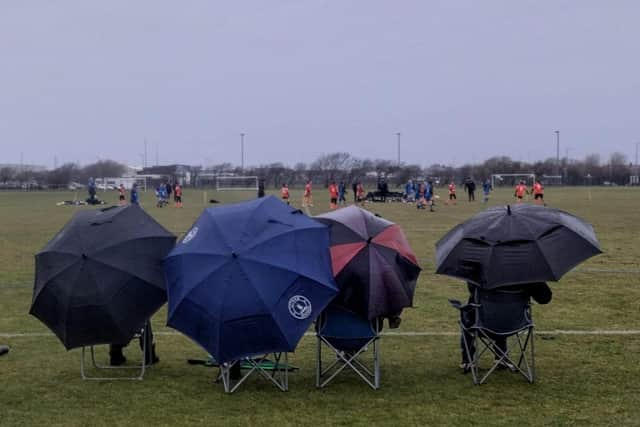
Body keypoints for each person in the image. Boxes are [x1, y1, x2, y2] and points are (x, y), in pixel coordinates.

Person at [460, 282, 552, 372]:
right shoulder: (526, 273)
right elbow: (544, 298)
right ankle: (501, 357)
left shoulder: (481, 270)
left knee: (467, 313)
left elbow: (472, 290)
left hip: (484, 324)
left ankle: (468, 360)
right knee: (502, 314)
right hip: (515, 324)